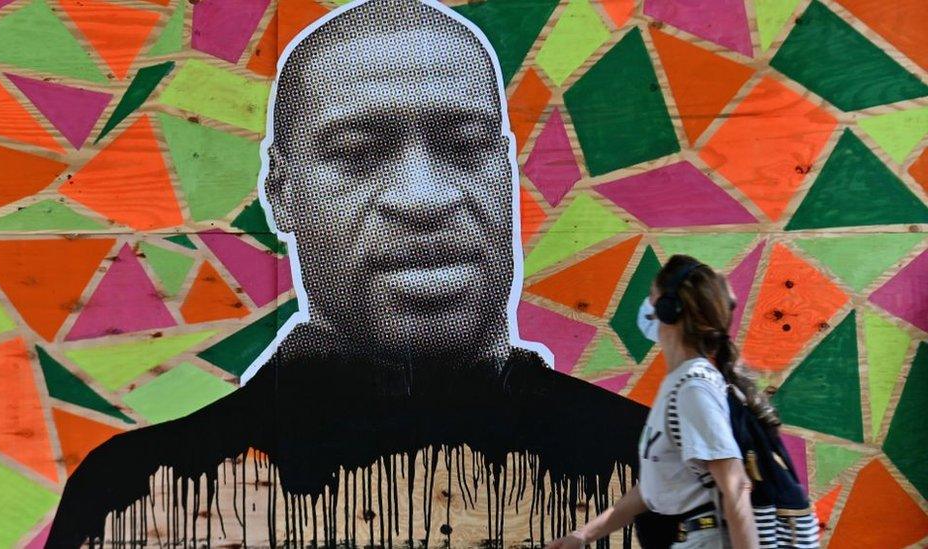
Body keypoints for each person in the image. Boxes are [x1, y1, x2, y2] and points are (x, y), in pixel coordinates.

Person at [45, 1, 648, 547]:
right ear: (282, 194)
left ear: (508, 175)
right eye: (358, 153)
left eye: (463, 146)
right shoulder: (134, 501)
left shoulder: (652, 469)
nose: (422, 196)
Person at [546, 255, 775, 549]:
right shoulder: (681, 383)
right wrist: (583, 535)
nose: (647, 306)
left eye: (651, 297)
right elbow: (654, 489)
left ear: (669, 310)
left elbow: (735, 486)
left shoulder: (694, 387)